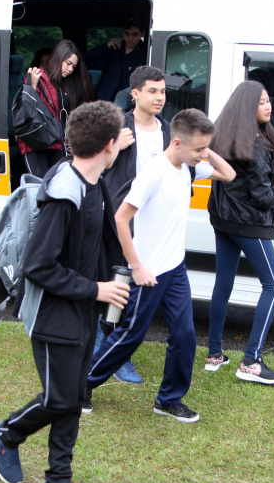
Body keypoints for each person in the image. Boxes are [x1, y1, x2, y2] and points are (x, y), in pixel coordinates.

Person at [0, 101, 129, 483]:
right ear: (108, 144)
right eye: (119, 137)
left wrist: (120, 276)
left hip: (82, 307)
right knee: (59, 397)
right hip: (53, 313)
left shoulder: (94, 181)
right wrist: (96, 289)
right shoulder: (63, 194)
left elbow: (99, 241)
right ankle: (7, 434)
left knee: (73, 397)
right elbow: (37, 266)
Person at [84, 109, 236, 423]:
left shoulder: (188, 167)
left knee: (185, 337)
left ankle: (168, 400)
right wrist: (137, 267)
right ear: (177, 142)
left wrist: (204, 149)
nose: (201, 156)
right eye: (197, 150)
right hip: (148, 272)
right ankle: (80, 387)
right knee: (130, 336)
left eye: (203, 150)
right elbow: (121, 218)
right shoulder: (155, 172)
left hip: (175, 269)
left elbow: (229, 174)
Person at [205, 81, 274, 384]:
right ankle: (252, 361)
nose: (269, 107)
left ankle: (214, 354)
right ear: (248, 108)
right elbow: (263, 197)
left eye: (269, 101)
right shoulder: (254, 146)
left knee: (223, 284)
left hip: (223, 219)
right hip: (250, 223)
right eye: (262, 102)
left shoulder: (226, 136)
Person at [93, 65, 170, 384]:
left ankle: (111, 348)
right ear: (135, 93)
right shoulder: (118, 125)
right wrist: (114, 147)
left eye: (163, 91)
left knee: (135, 291)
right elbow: (88, 161)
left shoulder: (167, 129)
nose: (159, 97)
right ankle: (109, 350)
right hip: (121, 220)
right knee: (120, 285)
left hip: (154, 223)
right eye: (152, 91)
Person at [19, 39, 96, 177]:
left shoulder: (67, 83)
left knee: (59, 183)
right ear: (59, 58)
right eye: (68, 64)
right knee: (39, 186)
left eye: (73, 66)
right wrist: (32, 87)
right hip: (36, 141)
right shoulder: (38, 76)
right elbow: (25, 110)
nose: (70, 69)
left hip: (57, 141)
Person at [85, 15, 148, 102]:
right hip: (104, 103)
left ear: (142, 33)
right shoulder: (114, 50)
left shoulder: (146, 54)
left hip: (126, 106)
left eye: (134, 35)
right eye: (127, 33)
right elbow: (85, 62)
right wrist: (105, 47)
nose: (130, 38)